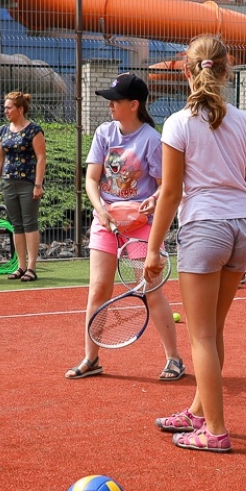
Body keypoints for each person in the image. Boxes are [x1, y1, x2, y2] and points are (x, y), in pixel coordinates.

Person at [143, 38, 246, 451]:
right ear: (227, 71)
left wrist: (153, 249)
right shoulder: (245, 121)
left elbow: (171, 192)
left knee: (202, 337)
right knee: (213, 330)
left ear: (185, 71)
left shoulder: (178, 123)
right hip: (241, 229)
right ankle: (197, 411)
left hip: (206, 228)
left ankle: (215, 430)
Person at [65, 72, 185, 384]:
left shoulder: (151, 140)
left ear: (133, 105)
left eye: (115, 101)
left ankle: (174, 358)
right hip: (106, 224)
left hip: (142, 228)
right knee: (97, 290)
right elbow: (91, 180)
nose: (110, 106)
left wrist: (153, 201)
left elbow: (165, 186)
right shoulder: (104, 133)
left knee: (151, 291)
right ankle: (91, 358)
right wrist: (100, 210)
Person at [0, 90, 47, 282]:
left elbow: (41, 158)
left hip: (28, 183)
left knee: (29, 223)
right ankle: (20, 266)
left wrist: (38, 184)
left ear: (20, 109)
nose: (5, 111)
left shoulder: (34, 130)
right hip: (8, 183)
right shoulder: (2, 131)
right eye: (5, 108)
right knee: (16, 225)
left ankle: (31, 267)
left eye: (9, 108)